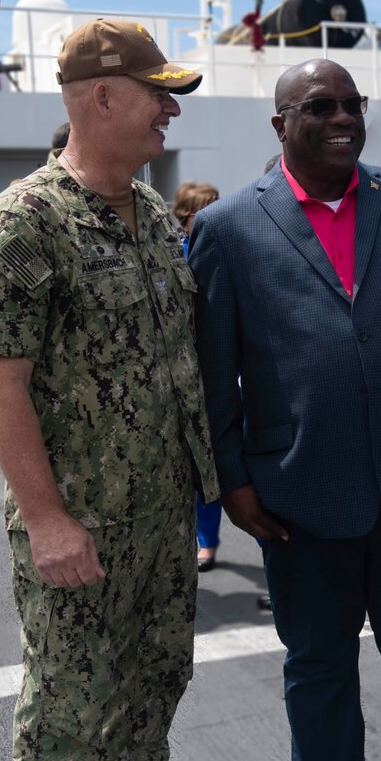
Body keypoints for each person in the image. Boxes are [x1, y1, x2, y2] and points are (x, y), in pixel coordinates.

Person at [189, 59, 381, 761]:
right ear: (281, 123)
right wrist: (231, 481)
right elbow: (213, 374)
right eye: (320, 106)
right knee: (318, 674)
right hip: (299, 500)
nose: (342, 118)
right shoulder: (226, 227)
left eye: (352, 104)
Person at [0, 19, 219, 761]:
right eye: (158, 96)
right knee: (70, 721)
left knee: (152, 698)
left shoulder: (154, 216)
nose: (171, 111)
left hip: (163, 521)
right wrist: (46, 521)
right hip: (85, 528)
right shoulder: (24, 223)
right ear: (103, 97)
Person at [173, 180, 224, 571]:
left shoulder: (229, 249)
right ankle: (206, 542)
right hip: (189, 377)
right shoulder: (172, 255)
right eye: (205, 211)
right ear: (187, 217)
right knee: (202, 470)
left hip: (227, 373)